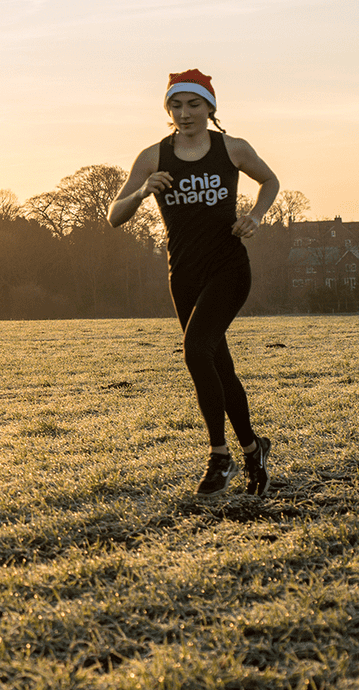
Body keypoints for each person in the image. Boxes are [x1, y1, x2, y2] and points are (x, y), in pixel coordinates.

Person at [108, 69, 280, 496]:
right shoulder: (153, 157)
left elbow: (270, 181)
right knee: (218, 364)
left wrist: (254, 216)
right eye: (176, 105)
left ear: (210, 107)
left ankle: (219, 456)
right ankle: (254, 448)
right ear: (168, 109)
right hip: (183, 275)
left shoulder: (232, 148)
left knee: (195, 348)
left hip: (228, 269)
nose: (184, 114)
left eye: (193, 104)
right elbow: (114, 215)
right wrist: (142, 192)